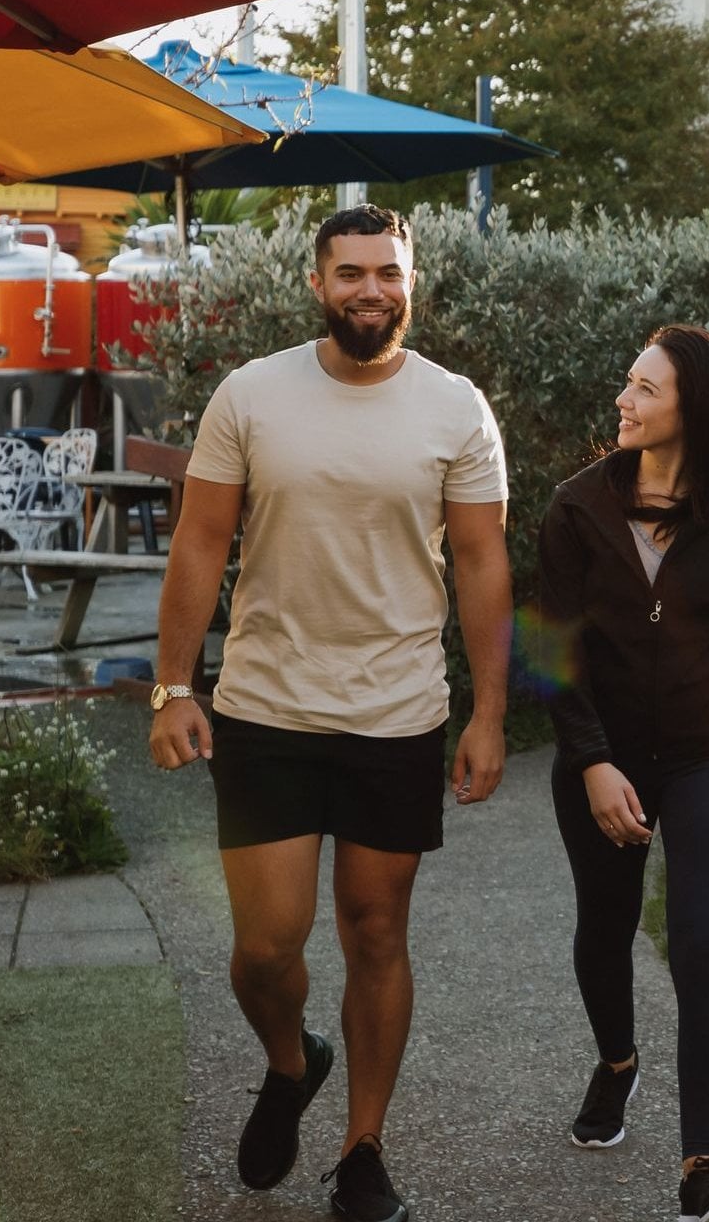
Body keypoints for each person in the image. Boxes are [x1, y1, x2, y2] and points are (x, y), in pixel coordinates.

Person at [148, 204, 512, 1222]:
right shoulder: (252, 394)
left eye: (386, 273)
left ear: (411, 281)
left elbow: (482, 560)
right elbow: (199, 543)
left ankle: (362, 1150)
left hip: (397, 713)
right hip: (266, 707)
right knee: (265, 948)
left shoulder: (454, 407)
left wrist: (488, 714)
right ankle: (288, 1057)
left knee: (374, 932)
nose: (369, 290)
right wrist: (175, 687)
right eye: (350, 272)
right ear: (317, 283)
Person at [515, 323, 709, 1222]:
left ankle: (703, 1171)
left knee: (699, 940)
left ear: (696, 408)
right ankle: (617, 1064)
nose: (623, 400)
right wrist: (594, 761)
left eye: (645, 388)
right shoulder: (576, 509)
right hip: (601, 754)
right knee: (605, 929)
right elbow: (545, 651)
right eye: (628, 383)